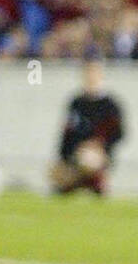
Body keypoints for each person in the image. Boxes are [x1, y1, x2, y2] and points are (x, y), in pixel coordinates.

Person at [50, 56, 124, 195]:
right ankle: (77, 183)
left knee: (88, 160)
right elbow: (67, 132)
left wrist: (99, 146)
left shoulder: (110, 105)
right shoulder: (76, 102)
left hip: (98, 153)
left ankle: (94, 182)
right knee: (54, 173)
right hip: (76, 152)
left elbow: (118, 133)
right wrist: (64, 157)